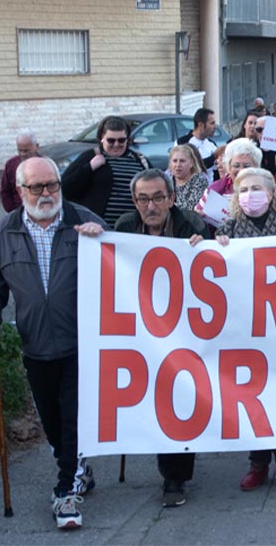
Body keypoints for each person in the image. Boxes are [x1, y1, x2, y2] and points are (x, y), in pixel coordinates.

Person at [0, 156, 105, 530]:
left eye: (53, 185)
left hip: (82, 342)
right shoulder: (5, 232)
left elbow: (124, 264)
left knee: (72, 417)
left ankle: (66, 495)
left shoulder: (83, 220)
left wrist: (105, 242)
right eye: (37, 187)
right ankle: (77, 466)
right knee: (51, 421)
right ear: (20, 191)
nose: (47, 194)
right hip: (35, 344)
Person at [108, 169, 205, 507]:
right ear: (135, 202)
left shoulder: (191, 225)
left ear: (172, 199)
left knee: (177, 396)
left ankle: (175, 476)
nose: (152, 206)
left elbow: (217, 264)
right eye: (143, 199)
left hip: (183, 329)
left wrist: (204, 247)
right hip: (141, 329)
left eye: (159, 197)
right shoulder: (122, 228)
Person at [212, 167, 276, 491]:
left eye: (257, 187)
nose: (250, 193)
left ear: (272, 193)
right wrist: (215, 248)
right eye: (244, 188)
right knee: (253, 392)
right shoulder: (227, 228)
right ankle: (257, 461)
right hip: (245, 324)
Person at [62, 116, 151, 229]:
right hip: (99, 230)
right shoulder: (90, 157)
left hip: (133, 230)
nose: (116, 144)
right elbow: (65, 187)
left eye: (121, 140)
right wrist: (89, 167)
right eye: (111, 140)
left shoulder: (139, 160)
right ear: (101, 138)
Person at [194, 138, 261, 217]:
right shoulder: (215, 189)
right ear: (229, 167)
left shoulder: (265, 189)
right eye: (236, 166)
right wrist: (200, 217)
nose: (241, 170)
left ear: (256, 167)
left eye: (246, 166)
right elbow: (197, 218)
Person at [0, 131, 40, 212]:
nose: (22, 154)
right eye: (20, 150)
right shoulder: (11, 165)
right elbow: (5, 192)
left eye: (26, 151)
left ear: (36, 147)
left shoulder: (46, 165)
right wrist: (13, 213)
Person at [176, 108, 225, 172]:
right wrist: (214, 156)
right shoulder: (182, 143)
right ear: (201, 125)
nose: (215, 127)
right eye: (212, 123)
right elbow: (192, 167)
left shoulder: (211, 144)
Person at [167, 144, 209, 211]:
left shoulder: (199, 181)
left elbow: (190, 208)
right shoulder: (167, 181)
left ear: (191, 163)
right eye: (175, 161)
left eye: (182, 161)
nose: (178, 165)